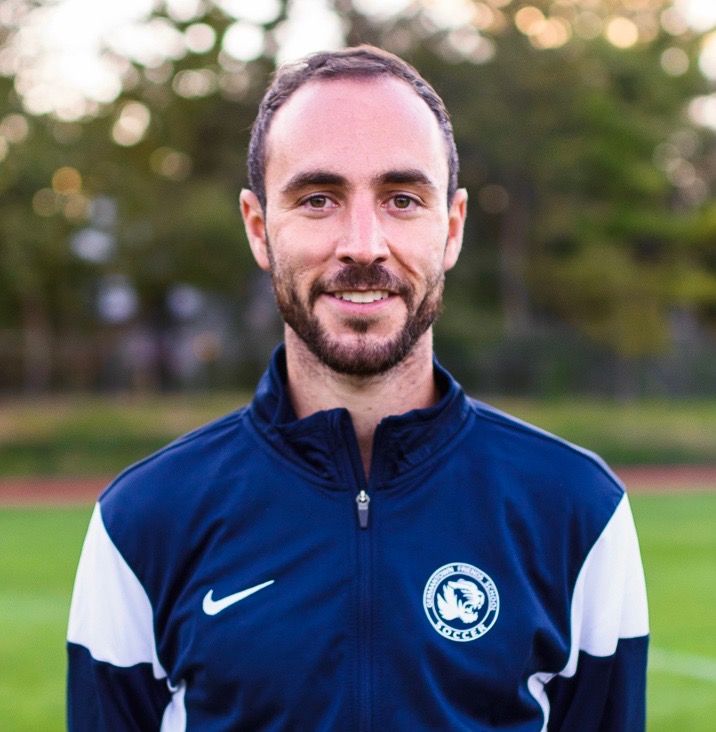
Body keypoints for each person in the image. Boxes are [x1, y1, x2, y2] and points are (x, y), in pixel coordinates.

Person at [67, 46, 649, 730]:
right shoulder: (142, 523)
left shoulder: (578, 510)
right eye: (318, 199)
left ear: (452, 227)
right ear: (259, 228)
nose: (364, 244)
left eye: (402, 199)